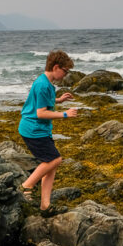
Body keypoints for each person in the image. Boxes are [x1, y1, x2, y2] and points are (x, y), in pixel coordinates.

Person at [18, 49, 79, 211]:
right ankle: (26, 185)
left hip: (40, 130)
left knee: (50, 164)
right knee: (55, 160)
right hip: (34, 130)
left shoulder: (45, 83)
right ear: (56, 67)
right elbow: (41, 113)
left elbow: (42, 102)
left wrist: (58, 99)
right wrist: (65, 114)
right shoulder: (42, 85)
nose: (66, 75)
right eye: (65, 71)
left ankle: (45, 205)